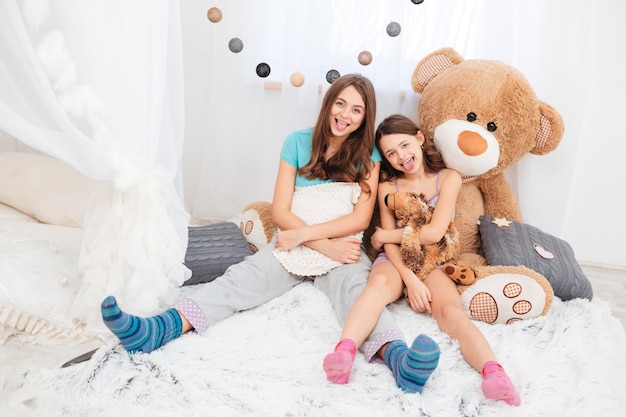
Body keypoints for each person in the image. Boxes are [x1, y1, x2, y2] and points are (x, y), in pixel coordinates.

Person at [100, 74, 439, 393]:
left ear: (365, 118)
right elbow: (280, 211)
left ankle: (401, 361)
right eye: (340, 104)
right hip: (295, 240)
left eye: (356, 110)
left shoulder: (368, 155)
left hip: (342, 248)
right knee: (240, 279)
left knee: (358, 294)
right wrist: (314, 242)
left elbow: (360, 219)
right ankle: (156, 330)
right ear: (328, 104)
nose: (345, 115)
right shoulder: (297, 142)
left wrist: (326, 246)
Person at [324, 114, 520, 406]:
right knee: (376, 286)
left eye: (404, 145)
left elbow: (433, 232)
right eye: (391, 153)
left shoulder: (448, 178)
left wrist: (383, 236)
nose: (401, 156)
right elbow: (390, 245)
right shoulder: (389, 186)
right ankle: (344, 351)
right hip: (397, 261)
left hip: (435, 261)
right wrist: (410, 280)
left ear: (419, 138)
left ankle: (494, 374)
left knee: (450, 312)